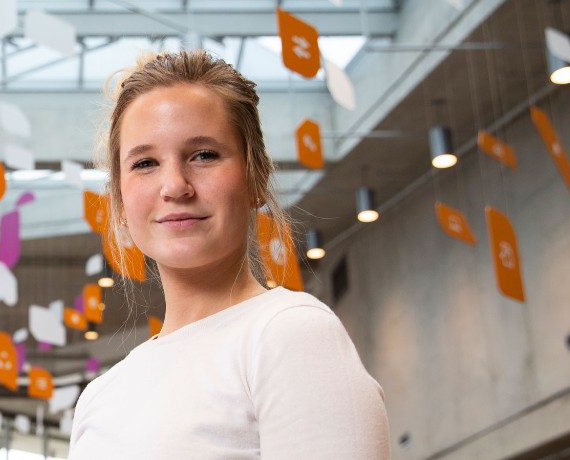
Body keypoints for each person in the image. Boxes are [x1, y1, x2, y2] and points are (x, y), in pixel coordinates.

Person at [69, 50, 389, 459]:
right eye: (145, 162)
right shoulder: (100, 396)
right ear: (118, 202)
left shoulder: (289, 334)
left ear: (256, 177)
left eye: (203, 155)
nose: (175, 186)